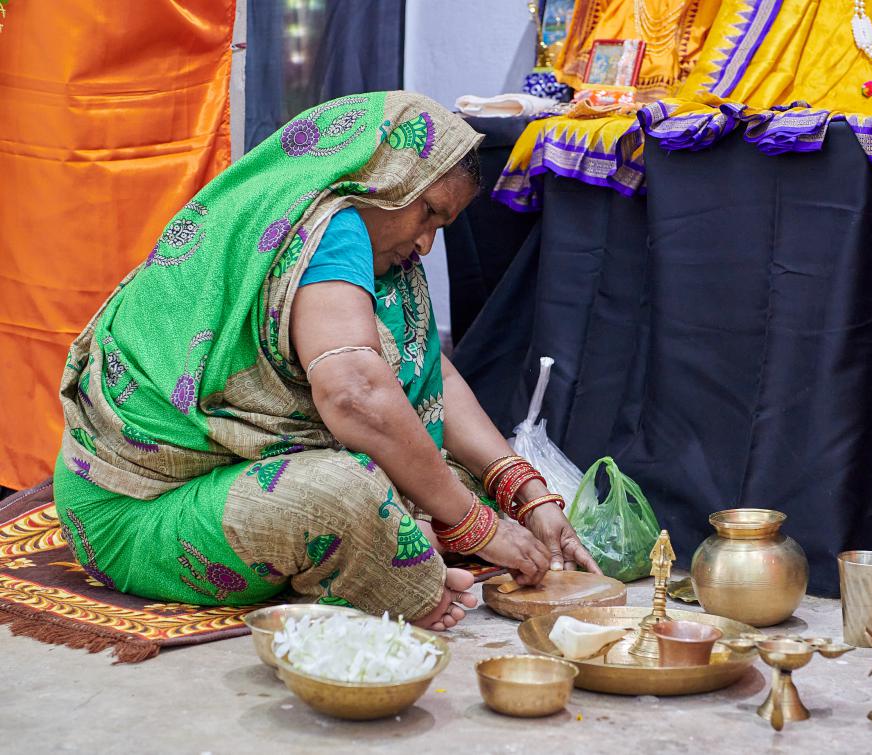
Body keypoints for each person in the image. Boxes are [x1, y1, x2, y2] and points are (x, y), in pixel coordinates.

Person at [55, 91, 599, 632]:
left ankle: (390, 547)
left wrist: (523, 492)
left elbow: (427, 371)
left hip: (235, 470)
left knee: (437, 475)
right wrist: (478, 528)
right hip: (141, 509)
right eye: (429, 213)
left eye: (443, 226)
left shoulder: (382, 242)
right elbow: (355, 396)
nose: (429, 245)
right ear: (378, 178)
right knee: (349, 494)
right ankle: (403, 584)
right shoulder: (329, 228)